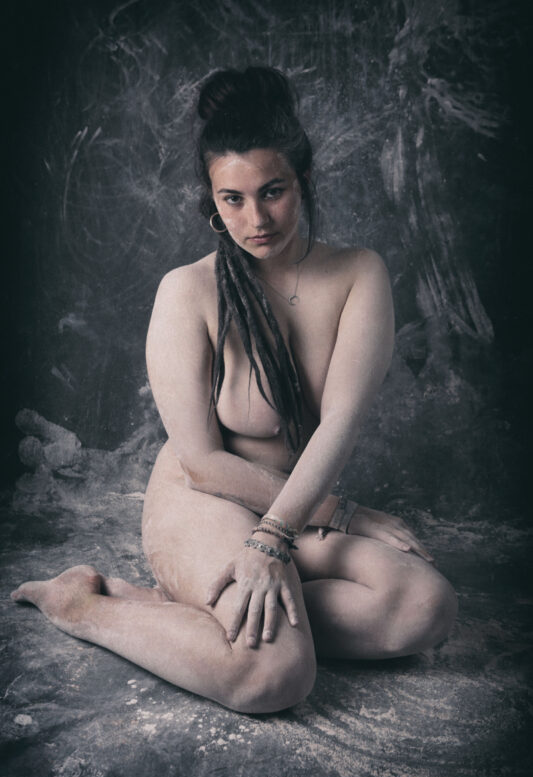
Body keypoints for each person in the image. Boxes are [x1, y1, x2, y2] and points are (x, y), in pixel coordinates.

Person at [12, 66, 457, 714]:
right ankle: (80, 605)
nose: (256, 218)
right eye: (233, 199)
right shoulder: (187, 292)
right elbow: (201, 461)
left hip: (290, 510)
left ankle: (202, 613)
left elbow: (340, 421)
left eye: (273, 191)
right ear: (212, 201)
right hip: (204, 499)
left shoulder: (358, 275)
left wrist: (284, 531)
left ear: (303, 179)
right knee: (273, 675)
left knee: (425, 607)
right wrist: (330, 518)